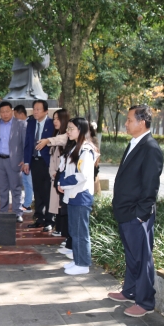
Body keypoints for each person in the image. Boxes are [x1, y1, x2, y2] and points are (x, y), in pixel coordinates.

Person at [108, 105, 164, 317]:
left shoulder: (150, 148)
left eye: (129, 120)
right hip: (125, 211)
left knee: (142, 259)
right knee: (131, 256)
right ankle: (130, 291)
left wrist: (141, 214)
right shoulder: (135, 143)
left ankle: (145, 302)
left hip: (136, 214)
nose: (126, 123)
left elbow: (150, 186)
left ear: (142, 122)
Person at [56, 117, 99, 275]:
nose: (68, 131)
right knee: (74, 231)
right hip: (73, 194)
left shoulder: (86, 150)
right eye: (67, 128)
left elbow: (82, 176)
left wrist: (63, 183)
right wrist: (61, 182)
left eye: (71, 128)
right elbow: (64, 169)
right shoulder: (74, 147)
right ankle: (77, 260)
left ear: (81, 130)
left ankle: (83, 264)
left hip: (81, 195)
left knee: (81, 232)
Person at [36, 109, 71, 241]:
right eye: (54, 119)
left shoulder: (66, 136)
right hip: (56, 176)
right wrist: (53, 173)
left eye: (58, 119)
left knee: (63, 205)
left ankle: (65, 234)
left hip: (64, 178)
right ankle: (60, 230)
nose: (55, 121)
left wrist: (47, 140)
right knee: (58, 205)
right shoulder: (57, 134)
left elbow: (61, 140)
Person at [0, 101, 26, 223]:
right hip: (0, 160)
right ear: (0, 113)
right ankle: (3, 211)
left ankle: (17, 212)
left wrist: (24, 160)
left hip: (14, 161)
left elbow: (25, 144)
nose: (5, 114)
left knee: (16, 188)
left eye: (7, 111)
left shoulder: (20, 124)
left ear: (12, 111)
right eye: (2, 112)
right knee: (2, 188)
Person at [23, 100, 55, 228]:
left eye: (38, 109)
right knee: (37, 191)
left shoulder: (51, 124)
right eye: (34, 109)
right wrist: (26, 162)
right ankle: (39, 218)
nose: (35, 111)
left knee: (47, 191)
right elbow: (27, 144)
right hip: (35, 161)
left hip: (47, 162)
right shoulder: (31, 123)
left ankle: (49, 220)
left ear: (46, 111)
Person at [14, 105, 33, 213]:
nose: (15, 118)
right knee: (25, 182)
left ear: (21, 114)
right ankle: (26, 203)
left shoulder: (30, 123)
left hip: (28, 159)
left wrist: (26, 159)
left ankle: (28, 204)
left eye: (15, 115)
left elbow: (28, 144)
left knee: (29, 182)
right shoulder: (19, 125)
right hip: (23, 159)